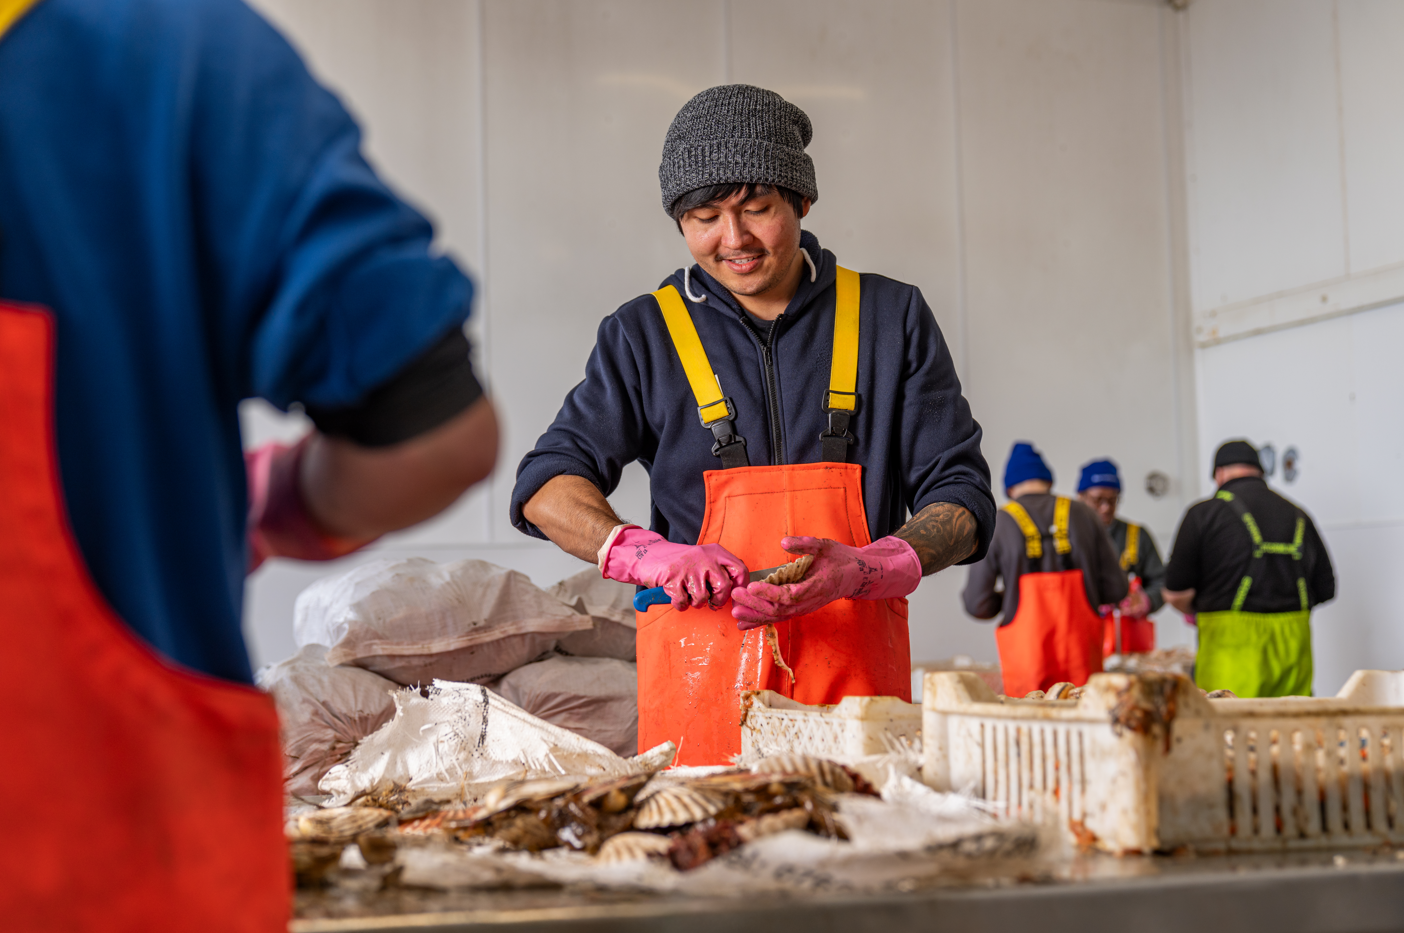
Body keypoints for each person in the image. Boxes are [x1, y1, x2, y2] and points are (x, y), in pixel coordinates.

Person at [0, 0, 498, 927]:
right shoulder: (166, 54)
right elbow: (439, 433)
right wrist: (281, 505)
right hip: (113, 864)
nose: (734, 236)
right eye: (712, 211)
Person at [512, 85, 994, 766]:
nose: (731, 240)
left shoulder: (893, 317)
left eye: (757, 209)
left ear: (802, 200)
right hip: (700, 698)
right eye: (703, 216)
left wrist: (867, 567)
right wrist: (645, 553)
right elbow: (546, 486)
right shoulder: (642, 334)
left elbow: (964, 498)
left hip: (855, 707)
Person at [1162, 440, 1335, 697]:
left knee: (1228, 731)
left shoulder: (1203, 514)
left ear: (1219, 474)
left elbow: (1175, 592)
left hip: (1229, 653)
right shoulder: (1300, 515)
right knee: (1291, 731)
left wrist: (1194, 610)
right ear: (1259, 472)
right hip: (1292, 653)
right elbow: (1326, 589)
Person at [963, 442, 1128, 696]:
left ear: (1010, 488)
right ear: (1048, 482)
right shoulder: (1084, 514)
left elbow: (977, 604)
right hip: (1082, 671)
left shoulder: (1000, 523)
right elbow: (1116, 589)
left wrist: (1009, 598)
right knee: (1084, 727)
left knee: (1031, 731)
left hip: (1027, 677)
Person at [1076, 458, 1166, 656]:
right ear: (1080, 497)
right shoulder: (1066, 538)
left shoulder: (1138, 535)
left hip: (1132, 652)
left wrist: (1146, 600)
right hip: (1082, 647)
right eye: (1098, 500)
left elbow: (1162, 581)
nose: (1106, 507)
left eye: (1112, 499)